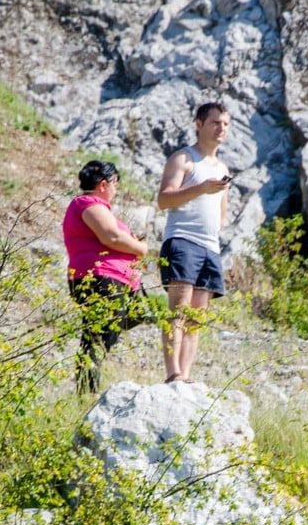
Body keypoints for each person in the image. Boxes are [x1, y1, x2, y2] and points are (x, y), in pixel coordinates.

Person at [157, 102, 232, 384]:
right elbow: (164, 199)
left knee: (197, 317)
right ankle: (172, 372)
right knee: (178, 310)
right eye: (215, 123)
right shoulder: (183, 159)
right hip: (182, 240)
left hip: (210, 247)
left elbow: (222, 215)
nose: (221, 128)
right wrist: (200, 188)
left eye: (225, 124)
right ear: (199, 125)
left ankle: (185, 375)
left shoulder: (222, 168)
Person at [63, 159, 148, 393]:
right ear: (103, 184)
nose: (116, 190)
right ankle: (87, 392)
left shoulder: (95, 207)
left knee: (107, 331)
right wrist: (141, 249)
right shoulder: (89, 204)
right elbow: (111, 237)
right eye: (115, 184)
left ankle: (87, 389)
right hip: (101, 278)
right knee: (97, 337)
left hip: (112, 279)